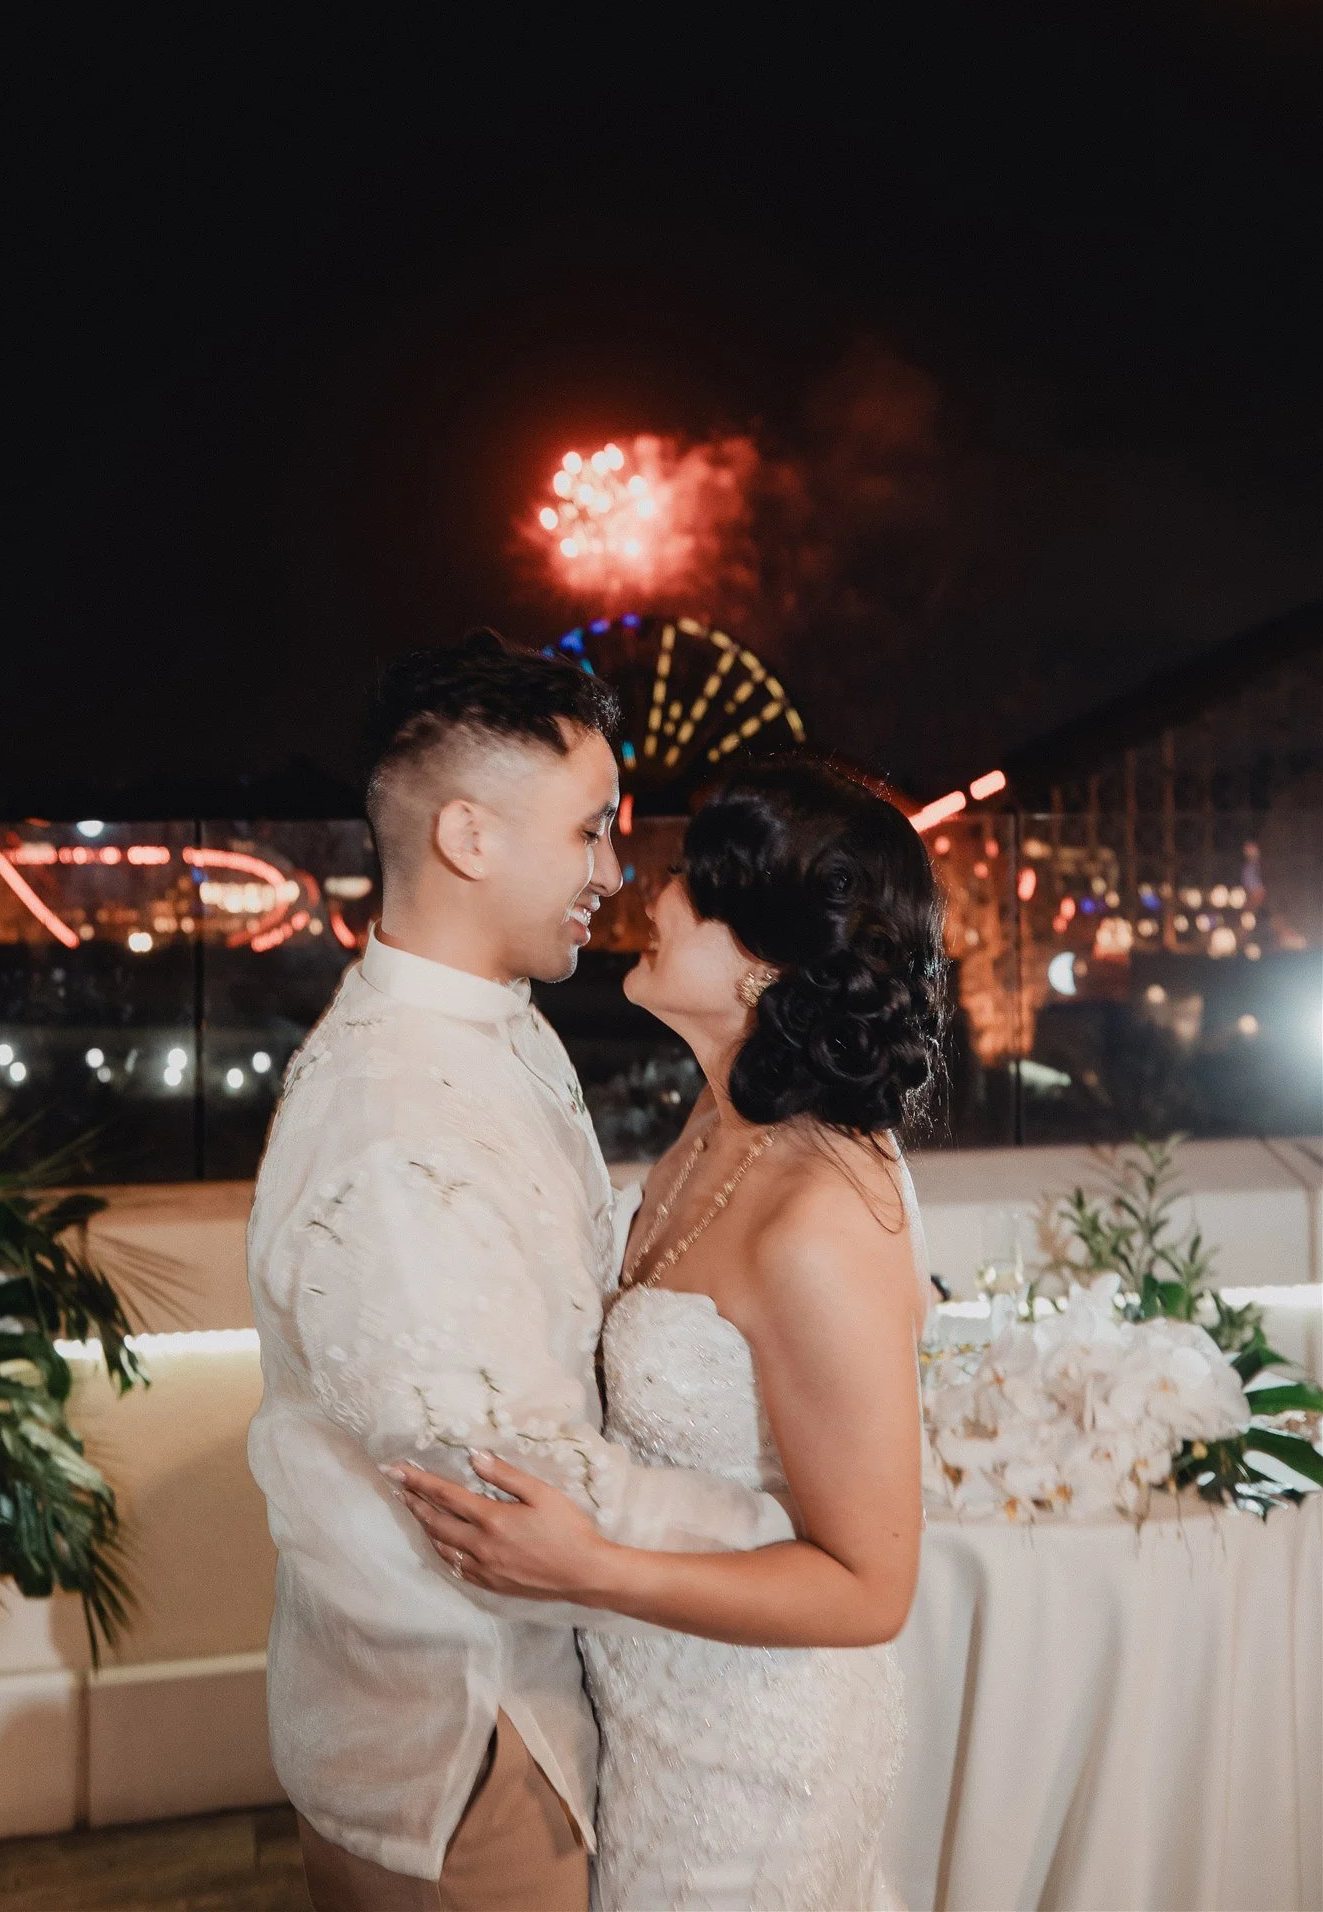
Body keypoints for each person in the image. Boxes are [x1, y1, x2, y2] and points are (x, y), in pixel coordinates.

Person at [246, 631, 794, 1912]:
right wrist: (778, 1539)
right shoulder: (392, 1118)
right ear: (469, 838)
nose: (614, 870)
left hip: (532, 1697)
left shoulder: (500, 1028)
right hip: (465, 1744)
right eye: (591, 830)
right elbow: (499, 1464)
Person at [392, 759, 945, 1910]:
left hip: (757, 1749)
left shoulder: (817, 1217)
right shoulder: (718, 1121)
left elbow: (870, 1586)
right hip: (649, 1701)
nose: (654, 892)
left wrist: (592, 1566)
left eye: (694, 882)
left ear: (762, 958)